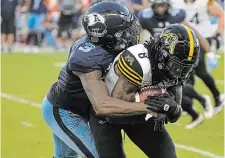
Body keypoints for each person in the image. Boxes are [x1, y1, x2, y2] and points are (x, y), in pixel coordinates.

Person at [41, 2, 155, 158]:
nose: (130, 34)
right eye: (124, 31)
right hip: (66, 112)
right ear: (107, 34)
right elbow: (102, 105)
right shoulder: (88, 57)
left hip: (78, 108)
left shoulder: (104, 43)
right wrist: (149, 107)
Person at [89, 24, 200, 158]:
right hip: (108, 115)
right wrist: (152, 106)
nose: (179, 72)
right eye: (175, 65)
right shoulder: (139, 61)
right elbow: (115, 110)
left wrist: (171, 109)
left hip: (141, 115)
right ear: (162, 53)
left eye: (185, 68)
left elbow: (175, 113)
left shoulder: (175, 72)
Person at [171, 0, 224, 116]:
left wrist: (218, 33)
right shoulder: (176, 3)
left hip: (203, 38)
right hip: (186, 40)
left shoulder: (204, 2)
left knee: (201, 72)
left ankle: (217, 96)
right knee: (187, 74)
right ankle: (189, 103)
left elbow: (220, 14)